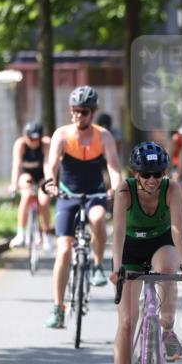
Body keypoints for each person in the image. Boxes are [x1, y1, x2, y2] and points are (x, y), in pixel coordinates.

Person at [108, 142, 182, 364]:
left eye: (158, 174)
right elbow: (118, 234)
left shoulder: (172, 189)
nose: (152, 180)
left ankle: (167, 329)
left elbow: (177, 231)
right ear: (136, 174)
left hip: (161, 244)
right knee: (126, 323)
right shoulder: (125, 190)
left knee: (168, 270)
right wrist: (117, 269)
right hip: (130, 248)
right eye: (146, 174)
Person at [42, 86, 123, 329]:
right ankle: (58, 307)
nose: (79, 116)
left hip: (95, 194)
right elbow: (52, 164)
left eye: (84, 111)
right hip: (67, 194)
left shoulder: (104, 136)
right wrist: (50, 183)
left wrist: (115, 188)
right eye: (75, 111)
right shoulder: (62, 135)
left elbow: (114, 168)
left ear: (93, 112)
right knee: (64, 251)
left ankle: (97, 265)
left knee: (98, 219)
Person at [9, 120, 53, 251]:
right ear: (25, 137)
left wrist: (50, 183)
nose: (34, 143)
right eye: (31, 139)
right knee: (26, 195)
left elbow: (47, 164)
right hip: (26, 176)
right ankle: (21, 233)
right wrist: (13, 184)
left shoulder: (46, 143)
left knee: (44, 201)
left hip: (41, 176)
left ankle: (47, 235)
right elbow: (16, 165)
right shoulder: (20, 144)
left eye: (36, 139)